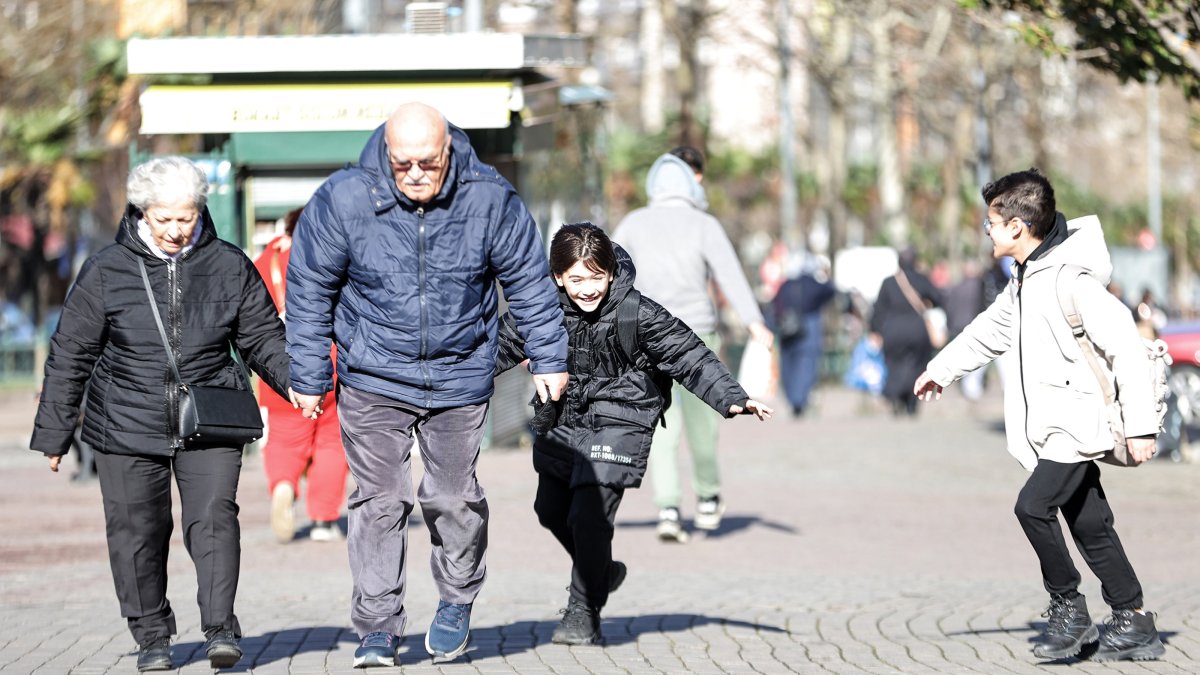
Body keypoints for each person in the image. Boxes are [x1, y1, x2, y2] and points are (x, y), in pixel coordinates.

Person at [286, 102, 568, 668]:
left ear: (448, 151)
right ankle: (378, 627)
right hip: (372, 373)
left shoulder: (489, 198)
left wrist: (548, 357)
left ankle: (457, 598)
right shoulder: (344, 198)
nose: (414, 174)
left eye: (426, 163)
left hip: (460, 372)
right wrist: (310, 373)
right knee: (379, 500)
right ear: (386, 153)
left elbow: (530, 281)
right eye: (402, 163)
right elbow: (309, 286)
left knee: (450, 497)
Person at [30, 156, 295, 672]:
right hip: (125, 422)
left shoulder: (228, 264)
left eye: (186, 218)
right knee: (136, 529)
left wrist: (300, 388)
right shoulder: (106, 270)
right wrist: (56, 432)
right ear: (140, 213)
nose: (175, 230)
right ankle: (151, 634)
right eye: (163, 219)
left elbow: (263, 337)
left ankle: (220, 628)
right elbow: (71, 353)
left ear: (200, 212)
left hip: (211, 415)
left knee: (215, 519)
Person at [913, 169, 1165, 663]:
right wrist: (941, 370)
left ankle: (1068, 607)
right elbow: (989, 331)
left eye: (991, 222)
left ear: (1016, 228)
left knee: (1032, 507)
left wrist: (1141, 427)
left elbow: (1126, 346)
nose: (986, 231)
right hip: (1054, 428)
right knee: (1090, 522)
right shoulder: (1026, 281)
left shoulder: (1071, 279)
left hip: (1074, 426)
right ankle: (1133, 619)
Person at [496, 223, 772, 645]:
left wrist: (732, 397)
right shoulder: (541, 310)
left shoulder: (637, 311)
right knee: (549, 510)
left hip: (622, 420)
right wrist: (446, 385)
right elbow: (497, 346)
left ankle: (583, 608)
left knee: (587, 516)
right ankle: (601, 571)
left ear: (610, 272)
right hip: (564, 418)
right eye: (577, 279)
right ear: (558, 277)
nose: (588, 289)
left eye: (596, 277)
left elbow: (687, 353)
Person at [612, 146, 773, 543]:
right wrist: (755, 323)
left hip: (647, 335)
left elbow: (608, 271)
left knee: (661, 423)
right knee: (705, 421)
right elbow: (730, 275)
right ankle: (708, 496)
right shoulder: (704, 224)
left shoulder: (633, 222)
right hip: (697, 334)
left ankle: (667, 508)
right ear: (689, 184)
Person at [252, 206, 349, 543]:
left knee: (284, 437)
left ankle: (282, 484)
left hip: (282, 366)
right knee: (331, 442)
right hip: (331, 362)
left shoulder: (268, 261)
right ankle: (323, 518)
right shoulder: (334, 258)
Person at [869, 247, 942, 416]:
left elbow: (878, 310)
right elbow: (938, 298)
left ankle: (895, 396)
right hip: (917, 329)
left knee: (894, 364)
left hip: (893, 330)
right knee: (916, 364)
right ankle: (911, 400)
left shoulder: (888, 283)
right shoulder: (922, 279)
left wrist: (876, 330)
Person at [772, 252, 836, 418]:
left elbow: (773, 308)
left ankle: (793, 398)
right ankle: (799, 401)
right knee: (806, 366)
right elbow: (831, 290)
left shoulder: (785, 285)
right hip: (809, 329)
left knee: (789, 365)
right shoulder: (813, 284)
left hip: (787, 330)